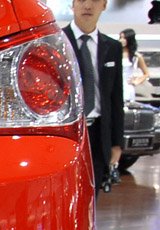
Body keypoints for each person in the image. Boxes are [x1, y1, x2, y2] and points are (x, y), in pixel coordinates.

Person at [63, 0, 124, 192]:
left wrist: (117, 142)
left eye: (95, 0)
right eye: (81, 0)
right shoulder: (58, 42)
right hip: (67, 133)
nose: (88, 6)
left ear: (104, 5)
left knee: (93, 192)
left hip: (99, 134)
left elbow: (116, 97)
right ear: (73, 4)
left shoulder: (112, 47)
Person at [118, 29, 151, 103]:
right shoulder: (115, 53)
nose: (121, 40)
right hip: (115, 87)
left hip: (127, 87)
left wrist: (137, 81)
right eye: (120, 37)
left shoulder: (136, 56)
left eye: (124, 38)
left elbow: (146, 74)